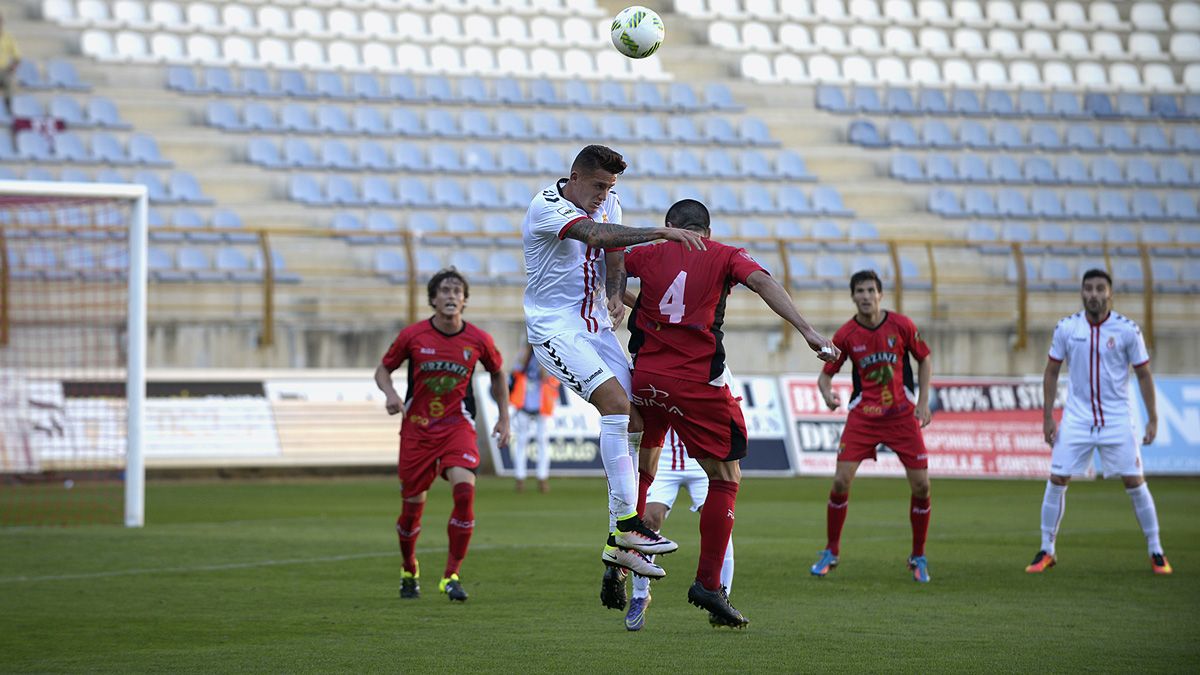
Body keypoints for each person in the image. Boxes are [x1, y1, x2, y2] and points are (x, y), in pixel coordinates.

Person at [624, 199, 837, 627]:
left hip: (644, 377)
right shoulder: (725, 254)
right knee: (726, 476)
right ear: (707, 229)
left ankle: (618, 559)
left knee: (645, 461)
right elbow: (762, 282)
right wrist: (807, 330)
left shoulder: (645, 250)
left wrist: (618, 299)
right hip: (694, 381)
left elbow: (608, 266)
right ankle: (708, 583)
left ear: (671, 226)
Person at [521, 144, 707, 610]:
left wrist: (615, 294)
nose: (605, 195)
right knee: (616, 407)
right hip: (555, 329)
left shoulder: (607, 200)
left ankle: (616, 545)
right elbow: (598, 236)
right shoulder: (546, 207)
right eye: (599, 186)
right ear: (574, 178)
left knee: (638, 423)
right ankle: (627, 525)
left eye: (610, 188)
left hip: (595, 328)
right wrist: (661, 232)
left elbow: (614, 254)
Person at [374, 269, 511, 602]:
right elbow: (383, 370)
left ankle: (451, 575)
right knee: (411, 510)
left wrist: (504, 418)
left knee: (465, 493)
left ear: (464, 300)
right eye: (444, 291)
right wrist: (391, 395)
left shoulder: (479, 339)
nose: (451, 296)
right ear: (433, 299)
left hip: (457, 427)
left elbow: (497, 374)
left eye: (457, 291)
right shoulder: (413, 336)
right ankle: (409, 568)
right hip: (417, 430)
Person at [1026, 268, 1171, 575]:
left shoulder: (1127, 330)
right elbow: (1051, 371)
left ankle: (1156, 550)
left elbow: (1144, 374)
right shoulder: (1067, 327)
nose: (1093, 294)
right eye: (1088, 288)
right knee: (1057, 478)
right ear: (1082, 292)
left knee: (1134, 481)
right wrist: (1047, 416)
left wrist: (1153, 418)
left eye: (1099, 288)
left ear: (1110, 293)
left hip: (1117, 418)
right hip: (1077, 417)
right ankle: (1046, 550)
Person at [813, 269, 934, 583]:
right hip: (864, 416)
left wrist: (922, 402)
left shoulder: (902, 325)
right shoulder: (846, 334)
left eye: (870, 291)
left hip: (901, 415)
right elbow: (826, 375)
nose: (865, 296)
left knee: (922, 486)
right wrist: (827, 395)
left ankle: (918, 556)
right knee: (840, 482)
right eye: (860, 291)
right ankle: (831, 551)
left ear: (880, 294)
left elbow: (925, 359)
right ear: (853, 297)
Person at [624, 425, 735, 632]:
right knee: (649, 518)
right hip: (663, 459)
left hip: (704, 459)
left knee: (720, 525)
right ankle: (640, 596)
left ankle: (722, 599)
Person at [508, 342, 560, 493]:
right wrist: (527, 351)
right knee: (521, 441)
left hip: (542, 405)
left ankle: (542, 477)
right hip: (523, 404)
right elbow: (517, 371)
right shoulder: (524, 354)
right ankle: (520, 477)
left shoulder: (548, 355)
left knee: (543, 441)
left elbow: (547, 377)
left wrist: (542, 358)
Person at [0, 14, 19, 116]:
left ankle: (8, 107)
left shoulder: (8, 37)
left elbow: (17, 57)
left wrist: (13, 67)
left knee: (10, 80)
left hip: (4, 70)